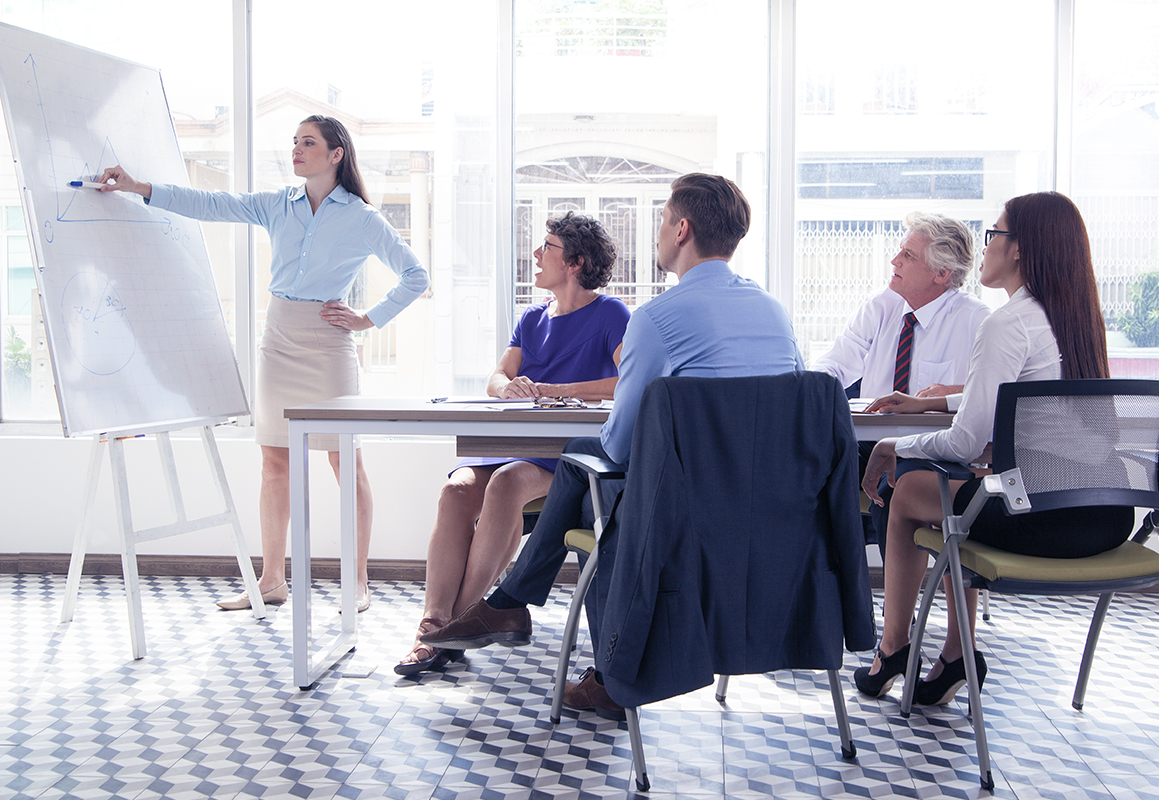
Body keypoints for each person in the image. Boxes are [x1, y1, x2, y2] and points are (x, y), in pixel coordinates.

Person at [420, 172, 804, 718]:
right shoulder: (775, 314)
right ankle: (507, 604)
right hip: (767, 509)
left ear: (682, 229)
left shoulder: (657, 319)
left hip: (678, 513)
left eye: (663, 220)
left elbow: (620, 446)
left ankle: (517, 608)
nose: (658, 232)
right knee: (573, 467)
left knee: (593, 477)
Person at [96, 115, 429, 613]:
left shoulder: (361, 217)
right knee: (274, 461)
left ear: (336, 154)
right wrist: (138, 187)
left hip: (329, 343)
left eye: (308, 142)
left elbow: (415, 275)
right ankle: (272, 579)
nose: (296, 149)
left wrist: (367, 319)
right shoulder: (279, 204)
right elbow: (211, 204)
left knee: (345, 461)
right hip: (278, 338)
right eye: (294, 142)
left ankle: (357, 583)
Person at [854, 192, 1133, 705]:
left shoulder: (1006, 323)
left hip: (1043, 521)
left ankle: (893, 647)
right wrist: (936, 402)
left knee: (909, 487)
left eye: (994, 234)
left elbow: (965, 439)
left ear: (1020, 248)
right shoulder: (1074, 318)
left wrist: (894, 442)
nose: (985, 247)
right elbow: (1022, 395)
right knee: (951, 490)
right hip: (1107, 517)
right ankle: (956, 654)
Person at [395, 212, 629, 675]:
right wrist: (510, 388)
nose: (537, 255)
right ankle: (434, 623)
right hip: (514, 440)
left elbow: (627, 380)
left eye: (547, 247)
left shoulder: (611, 314)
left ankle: (455, 627)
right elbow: (496, 376)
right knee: (456, 490)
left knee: (505, 483)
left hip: (565, 455)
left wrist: (558, 390)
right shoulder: (532, 317)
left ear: (576, 262)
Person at [811, 212, 989, 554]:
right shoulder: (881, 306)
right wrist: (806, 388)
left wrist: (954, 392)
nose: (895, 260)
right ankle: (826, 588)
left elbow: (994, 394)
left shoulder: (976, 320)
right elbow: (836, 362)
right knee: (807, 465)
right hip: (871, 441)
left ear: (941, 273)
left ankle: (893, 606)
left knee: (896, 482)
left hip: (935, 449)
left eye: (909, 255)